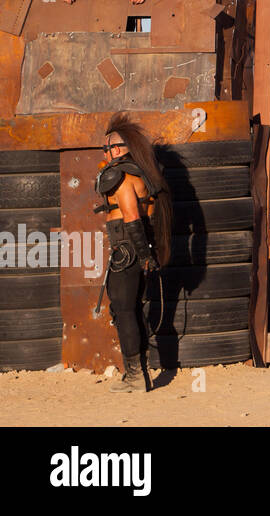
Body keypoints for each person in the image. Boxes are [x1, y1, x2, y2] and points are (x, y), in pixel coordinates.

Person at [94, 113, 173, 392]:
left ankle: (135, 378)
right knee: (134, 309)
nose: (105, 153)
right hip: (137, 249)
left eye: (108, 148)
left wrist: (141, 256)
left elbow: (130, 216)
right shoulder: (145, 173)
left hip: (127, 249)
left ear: (118, 149)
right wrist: (146, 256)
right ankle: (142, 374)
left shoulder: (121, 176)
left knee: (124, 310)